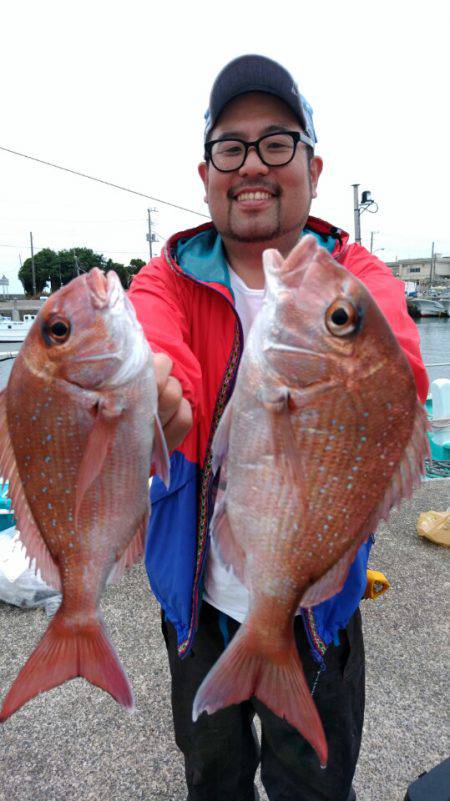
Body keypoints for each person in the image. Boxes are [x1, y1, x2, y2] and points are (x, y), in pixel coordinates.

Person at [128, 54, 428, 801]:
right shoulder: (164, 276)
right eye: (230, 146)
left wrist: (342, 363)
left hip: (315, 606)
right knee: (214, 780)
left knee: (314, 787)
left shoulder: (354, 278)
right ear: (206, 176)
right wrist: (162, 397)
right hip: (195, 604)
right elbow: (164, 354)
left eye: (277, 143)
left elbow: (401, 371)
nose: (252, 164)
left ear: (314, 166)